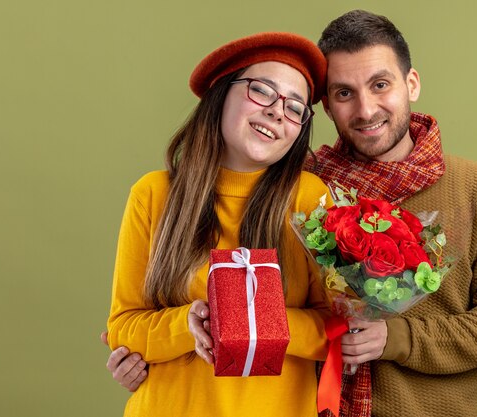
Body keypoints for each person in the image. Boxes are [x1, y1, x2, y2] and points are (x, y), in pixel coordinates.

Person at [105, 10, 477, 417]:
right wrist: (150, 351)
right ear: (326, 108)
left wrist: (395, 337)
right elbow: (127, 326)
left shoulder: (476, 189)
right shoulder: (313, 187)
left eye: (380, 84)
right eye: (344, 92)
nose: (365, 109)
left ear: (411, 83)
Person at [105, 32, 333, 417]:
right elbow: (122, 328)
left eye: (295, 108)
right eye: (262, 90)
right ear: (222, 92)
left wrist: (256, 320)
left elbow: (338, 329)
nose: (278, 111)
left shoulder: (310, 200)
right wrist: (186, 324)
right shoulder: (153, 194)